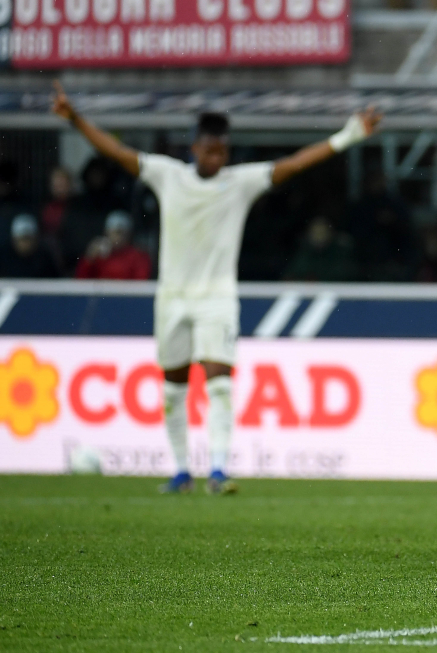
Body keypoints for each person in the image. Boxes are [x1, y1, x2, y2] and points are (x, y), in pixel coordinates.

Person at [51, 82, 382, 495]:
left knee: (219, 383)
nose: (217, 158)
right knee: (173, 389)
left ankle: (220, 470)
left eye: (223, 152)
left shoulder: (240, 183)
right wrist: (76, 119)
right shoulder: (167, 175)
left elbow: (294, 163)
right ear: (195, 149)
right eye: (210, 151)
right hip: (172, 298)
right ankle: (180, 472)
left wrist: (347, 136)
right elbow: (117, 154)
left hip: (217, 299)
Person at [75, 210, 152, 279]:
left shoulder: (138, 256)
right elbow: (81, 279)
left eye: (121, 232)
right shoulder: (98, 255)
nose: (117, 237)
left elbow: (141, 282)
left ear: (129, 234)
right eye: (114, 232)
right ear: (106, 233)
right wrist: (89, 259)